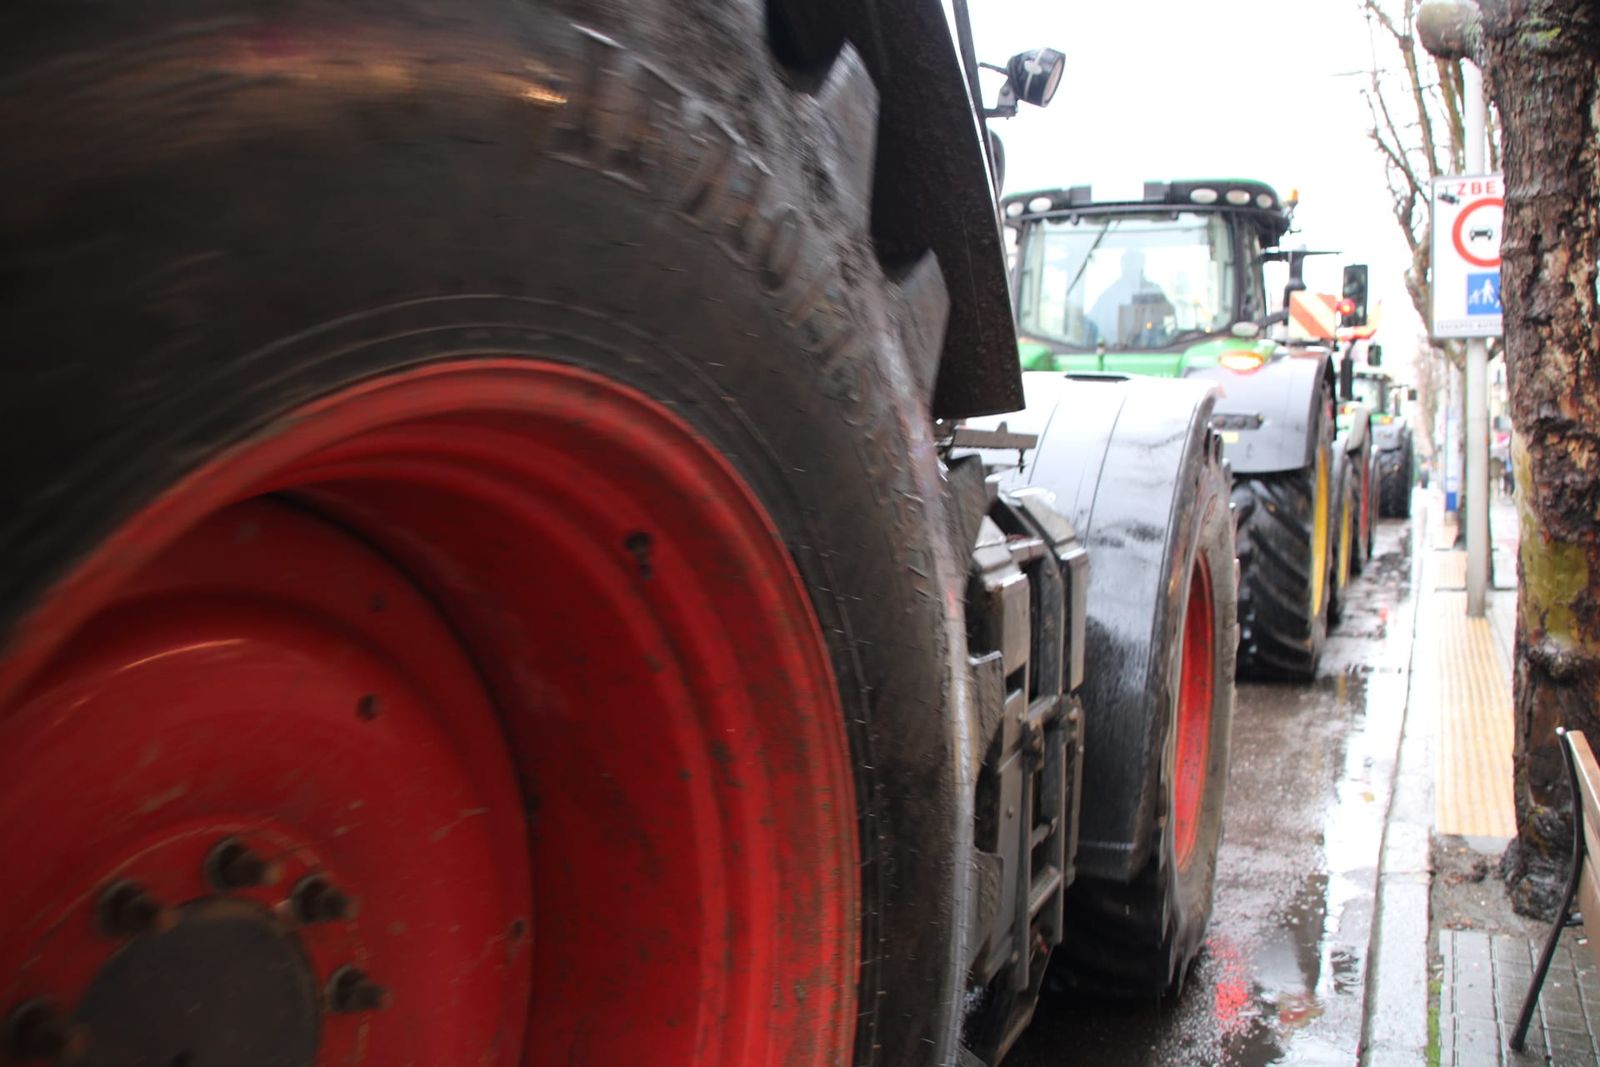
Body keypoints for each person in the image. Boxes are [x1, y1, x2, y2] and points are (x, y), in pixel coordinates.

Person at [1088, 250, 1171, 346]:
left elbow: (1169, 313)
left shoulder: (1154, 290)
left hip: (1157, 350)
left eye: (1137, 265)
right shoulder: (1108, 296)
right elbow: (1092, 324)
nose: (1135, 270)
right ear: (1123, 266)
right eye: (1131, 265)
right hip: (1115, 352)